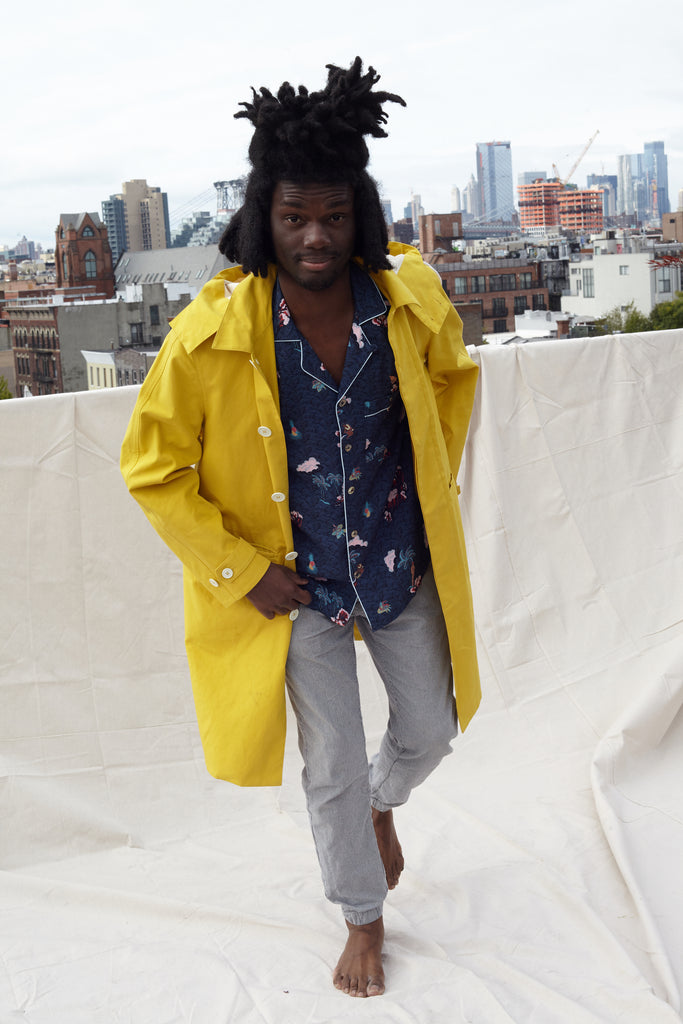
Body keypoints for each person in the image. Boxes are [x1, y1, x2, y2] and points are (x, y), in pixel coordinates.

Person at [120, 57, 480, 998]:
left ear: (359, 211)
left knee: (433, 728)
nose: (314, 237)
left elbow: (452, 380)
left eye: (331, 216)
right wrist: (241, 572)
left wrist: (423, 483)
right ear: (260, 217)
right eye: (293, 218)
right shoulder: (210, 331)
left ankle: (380, 805)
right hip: (296, 589)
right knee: (327, 762)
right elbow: (153, 470)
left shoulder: (408, 299)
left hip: (397, 563)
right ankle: (361, 918)